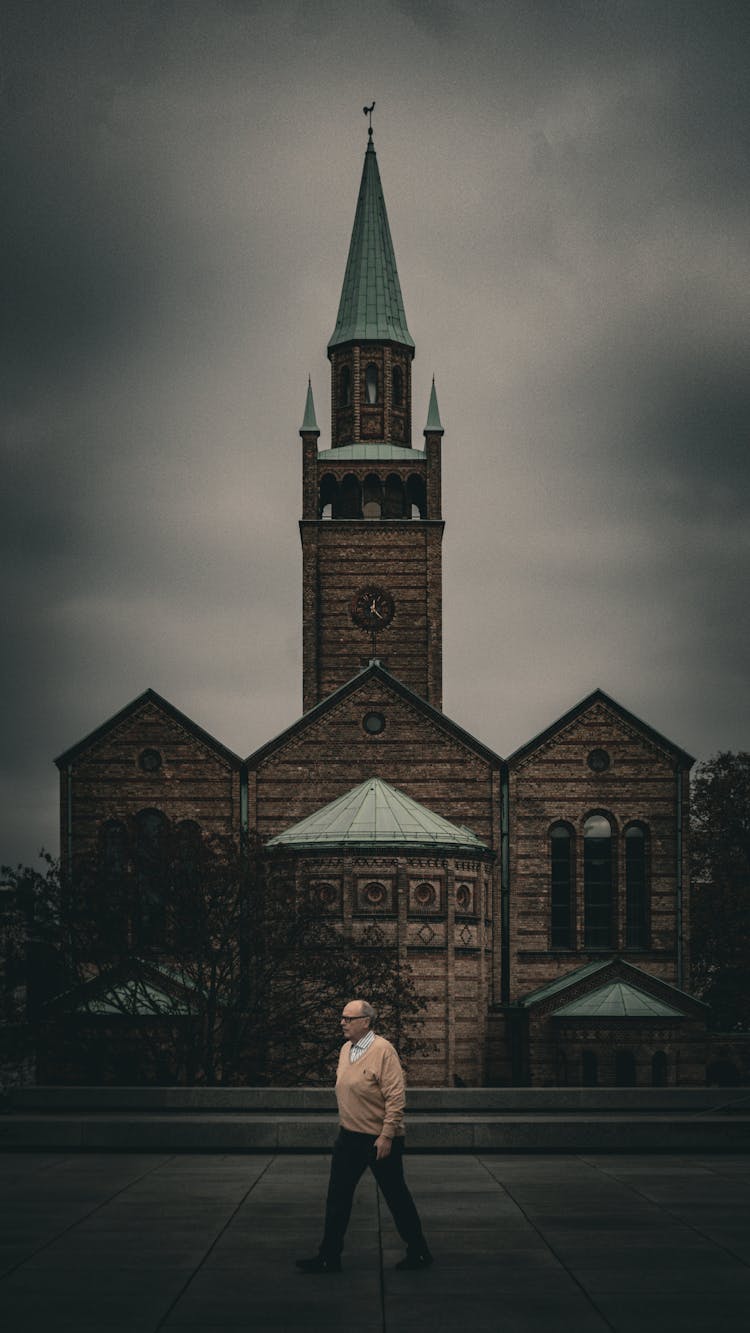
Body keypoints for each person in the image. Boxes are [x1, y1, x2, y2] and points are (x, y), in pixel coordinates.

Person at [296, 998, 432, 1274]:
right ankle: (328, 1257)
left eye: (348, 1018)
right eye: (342, 1018)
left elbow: (396, 1097)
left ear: (366, 1022)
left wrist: (386, 1136)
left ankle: (419, 1252)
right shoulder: (346, 1049)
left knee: (396, 1198)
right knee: (337, 1199)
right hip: (348, 1139)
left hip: (378, 1140)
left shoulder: (383, 1051)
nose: (342, 1023)